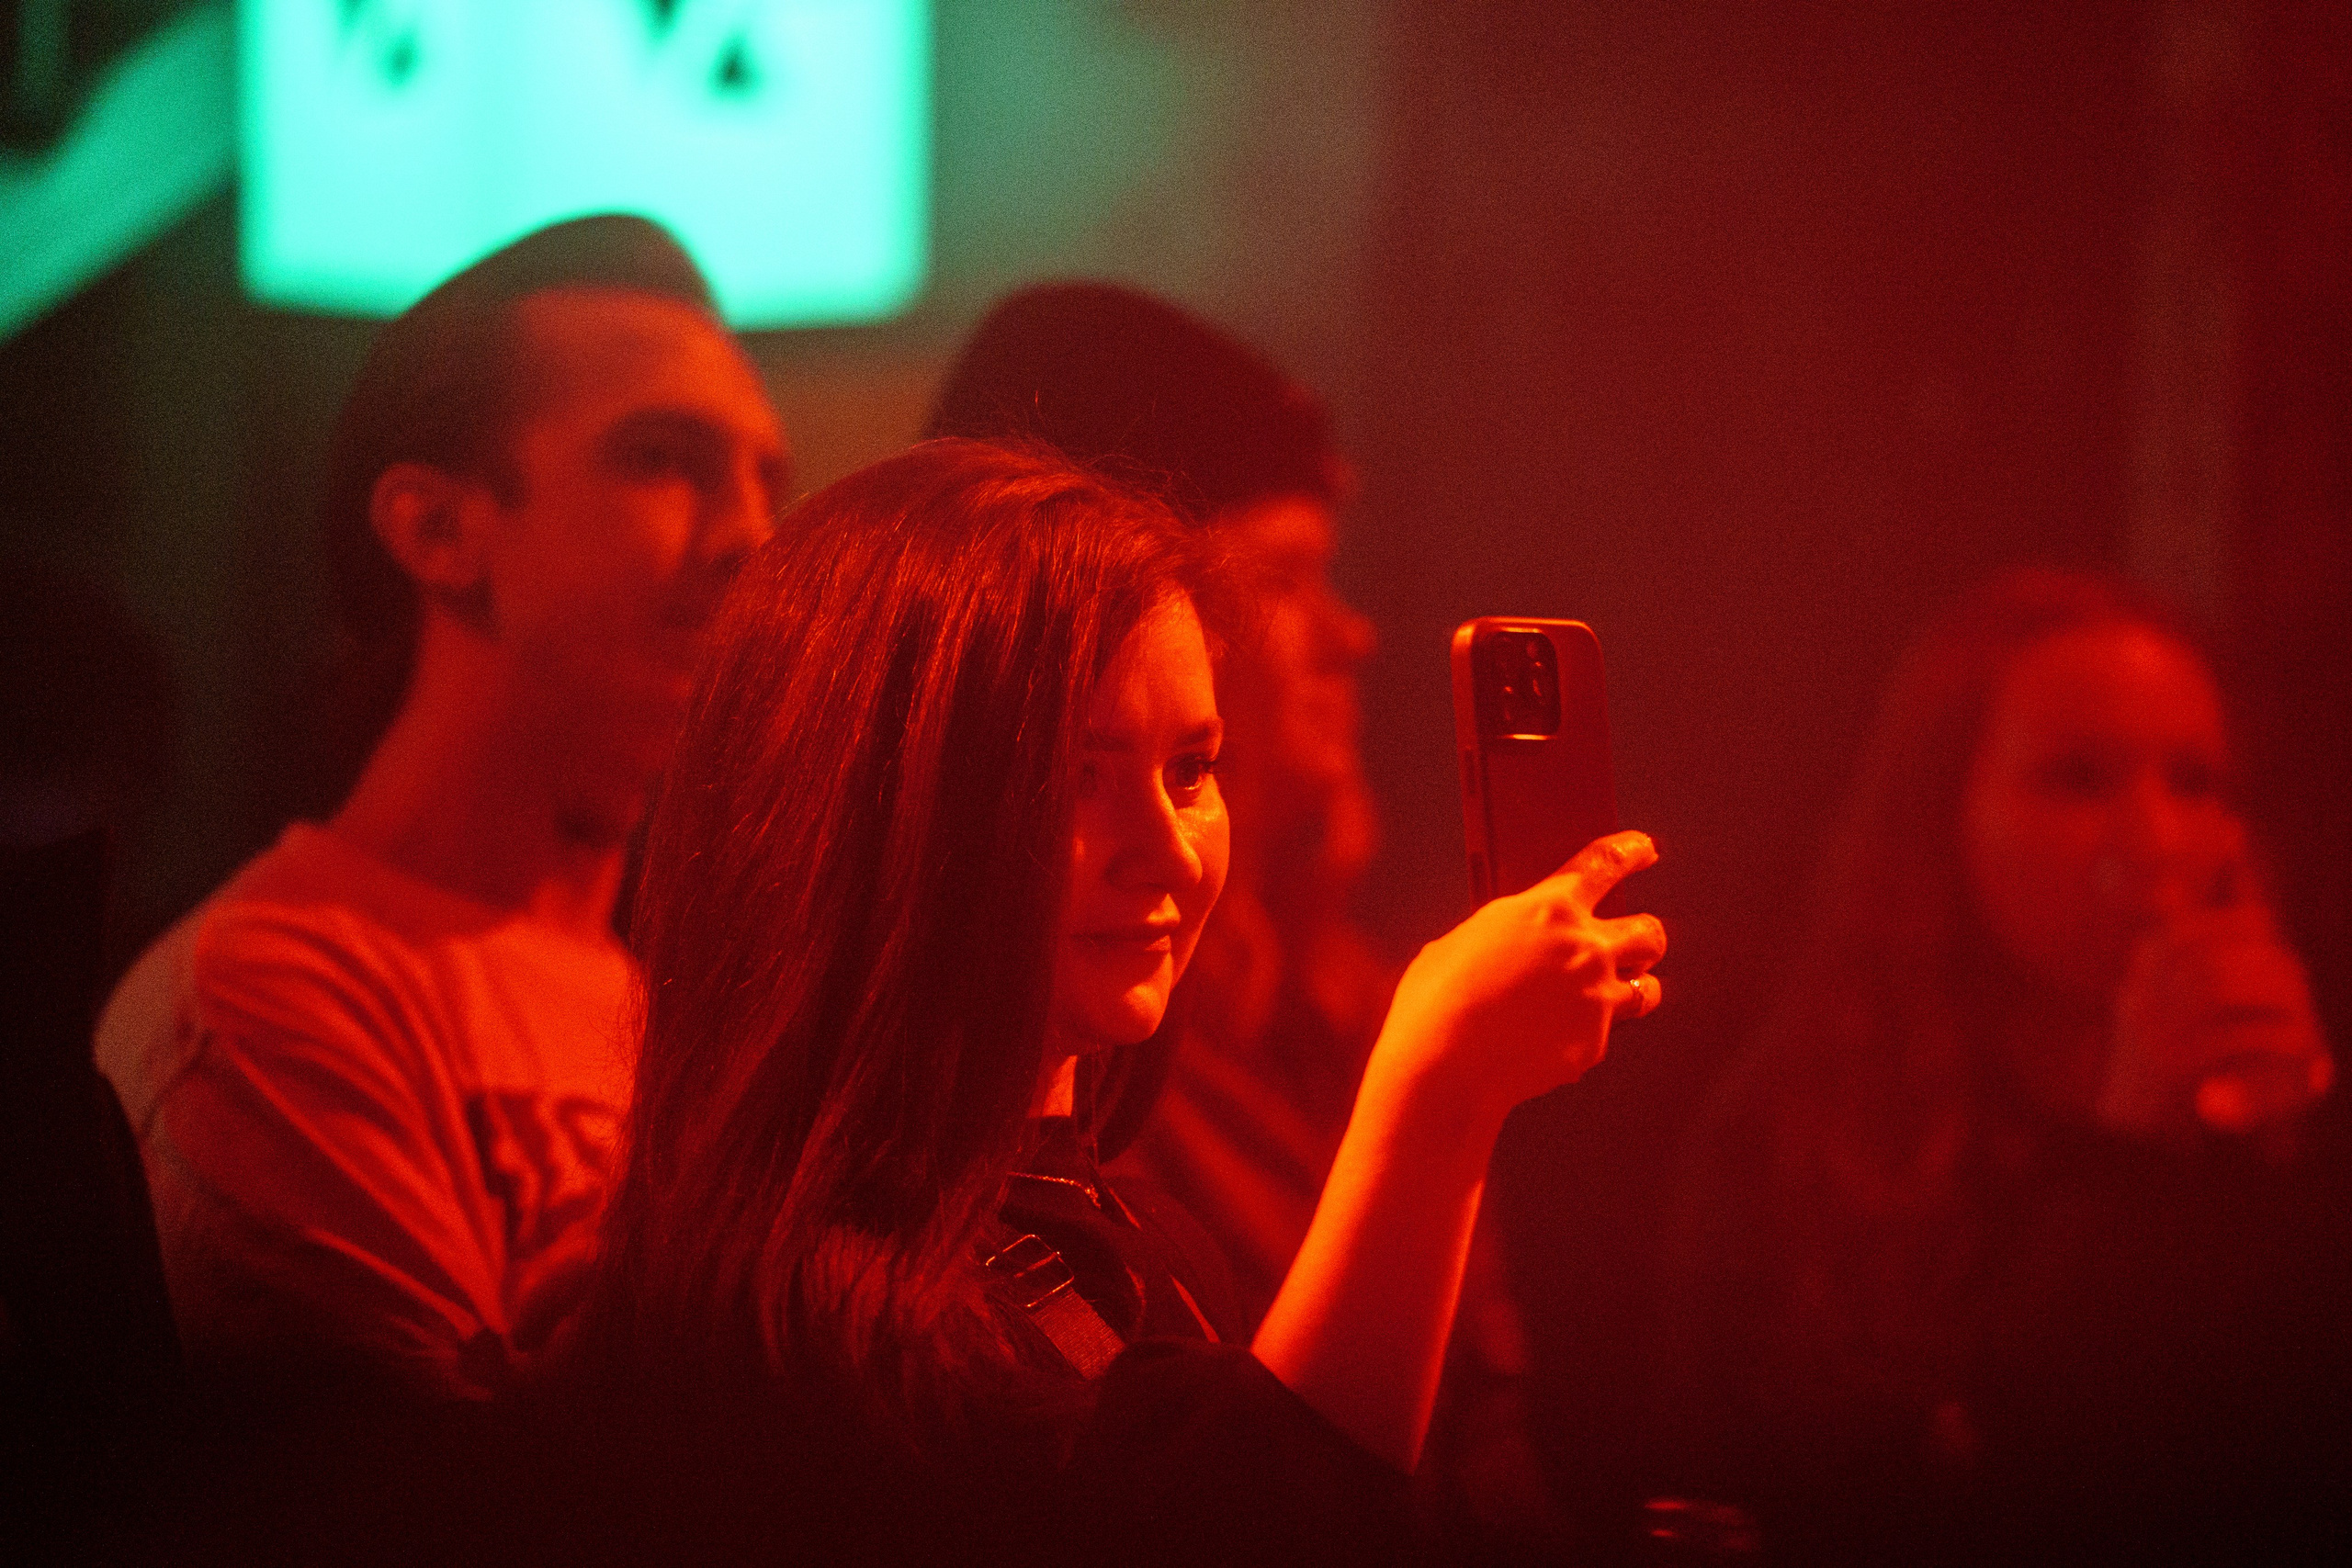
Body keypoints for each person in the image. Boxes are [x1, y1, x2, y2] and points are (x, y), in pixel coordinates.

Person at [580, 440, 1666, 1562]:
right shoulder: (814, 1326)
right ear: (882, 810)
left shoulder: (1135, 1237)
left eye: (1191, 770)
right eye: (1077, 776)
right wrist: (1438, 1095)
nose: (1169, 851)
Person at [93, 214, 789, 1401]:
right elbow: (428, 1493)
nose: (754, 540)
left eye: (767, 480)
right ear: (437, 529)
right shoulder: (273, 993)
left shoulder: (658, 1005)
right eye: (663, 458)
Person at [1651, 568, 2346, 1562]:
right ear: (1945, 814)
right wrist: (2124, 1164)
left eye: (2193, 781)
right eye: (2078, 779)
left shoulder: (2286, 1129)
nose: (2154, 841)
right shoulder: (1787, 1142)